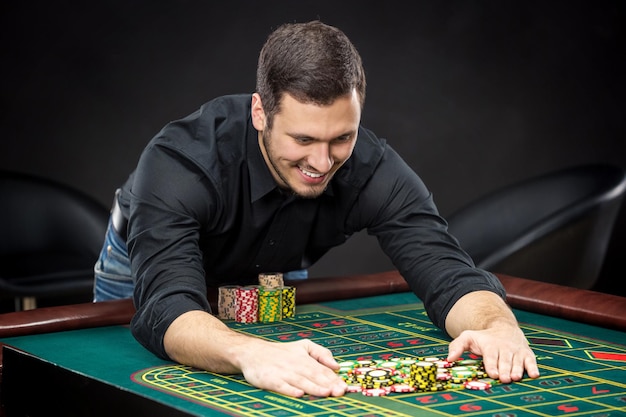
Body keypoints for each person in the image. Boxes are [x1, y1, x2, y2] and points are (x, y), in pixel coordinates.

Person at [94, 20, 539, 398]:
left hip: (271, 269)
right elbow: (167, 307)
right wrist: (248, 350)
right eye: (303, 140)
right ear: (259, 113)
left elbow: (445, 269)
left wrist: (496, 323)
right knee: (130, 392)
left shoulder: (369, 167)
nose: (322, 164)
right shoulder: (180, 163)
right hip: (146, 266)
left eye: (341, 138)